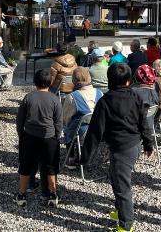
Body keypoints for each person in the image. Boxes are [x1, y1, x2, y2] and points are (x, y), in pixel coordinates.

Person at [82, 64, 155, 232]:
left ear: (109, 80)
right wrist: (148, 143)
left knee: (122, 187)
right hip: (133, 145)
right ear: (129, 81)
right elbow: (144, 122)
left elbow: (95, 131)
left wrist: (85, 156)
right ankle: (120, 210)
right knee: (115, 178)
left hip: (123, 148)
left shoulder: (105, 101)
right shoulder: (135, 96)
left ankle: (126, 225)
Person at [16, 69, 62, 207]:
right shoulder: (54, 99)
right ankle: (52, 195)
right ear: (50, 83)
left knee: (25, 166)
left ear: (35, 82)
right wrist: (56, 136)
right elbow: (58, 122)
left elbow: (20, 120)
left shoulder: (28, 97)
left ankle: (22, 195)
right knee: (50, 167)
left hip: (30, 136)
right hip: (49, 138)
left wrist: (22, 135)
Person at [62, 67, 104, 168]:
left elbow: (66, 118)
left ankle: (71, 158)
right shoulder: (100, 93)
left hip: (80, 132)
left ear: (74, 80)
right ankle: (89, 156)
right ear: (89, 78)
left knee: (67, 128)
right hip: (98, 131)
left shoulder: (72, 97)